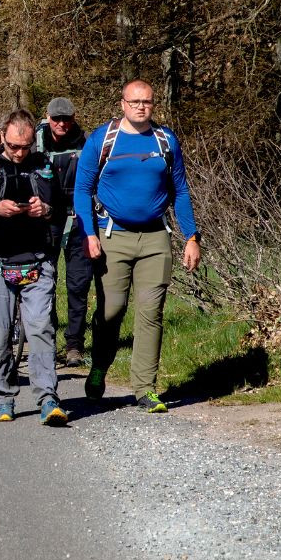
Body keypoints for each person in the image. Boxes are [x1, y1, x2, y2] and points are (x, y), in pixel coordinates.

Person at [74, 80, 201, 412]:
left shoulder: (165, 140)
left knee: (150, 313)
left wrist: (191, 237)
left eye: (147, 102)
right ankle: (99, 366)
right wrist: (89, 234)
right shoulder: (103, 139)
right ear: (122, 104)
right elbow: (82, 190)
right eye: (135, 101)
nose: (141, 107)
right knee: (111, 311)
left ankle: (145, 388)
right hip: (112, 236)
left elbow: (181, 192)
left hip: (156, 238)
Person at [0, 111, 68, 425]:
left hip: (38, 261)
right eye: (13, 146)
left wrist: (46, 209)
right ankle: (5, 397)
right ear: (2, 138)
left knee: (40, 328)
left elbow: (62, 209)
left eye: (24, 147)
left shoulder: (45, 167)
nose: (19, 153)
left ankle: (48, 397)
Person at [35, 97, 90, 367]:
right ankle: (46, 341)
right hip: (45, 222)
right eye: (56, 119)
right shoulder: (35, 143)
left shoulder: (86, 142)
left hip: (77, 220)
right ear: (48, 117)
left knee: (78, 285)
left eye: (66, 118)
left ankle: (74, 345)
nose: (61, 124)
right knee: (45, 284)